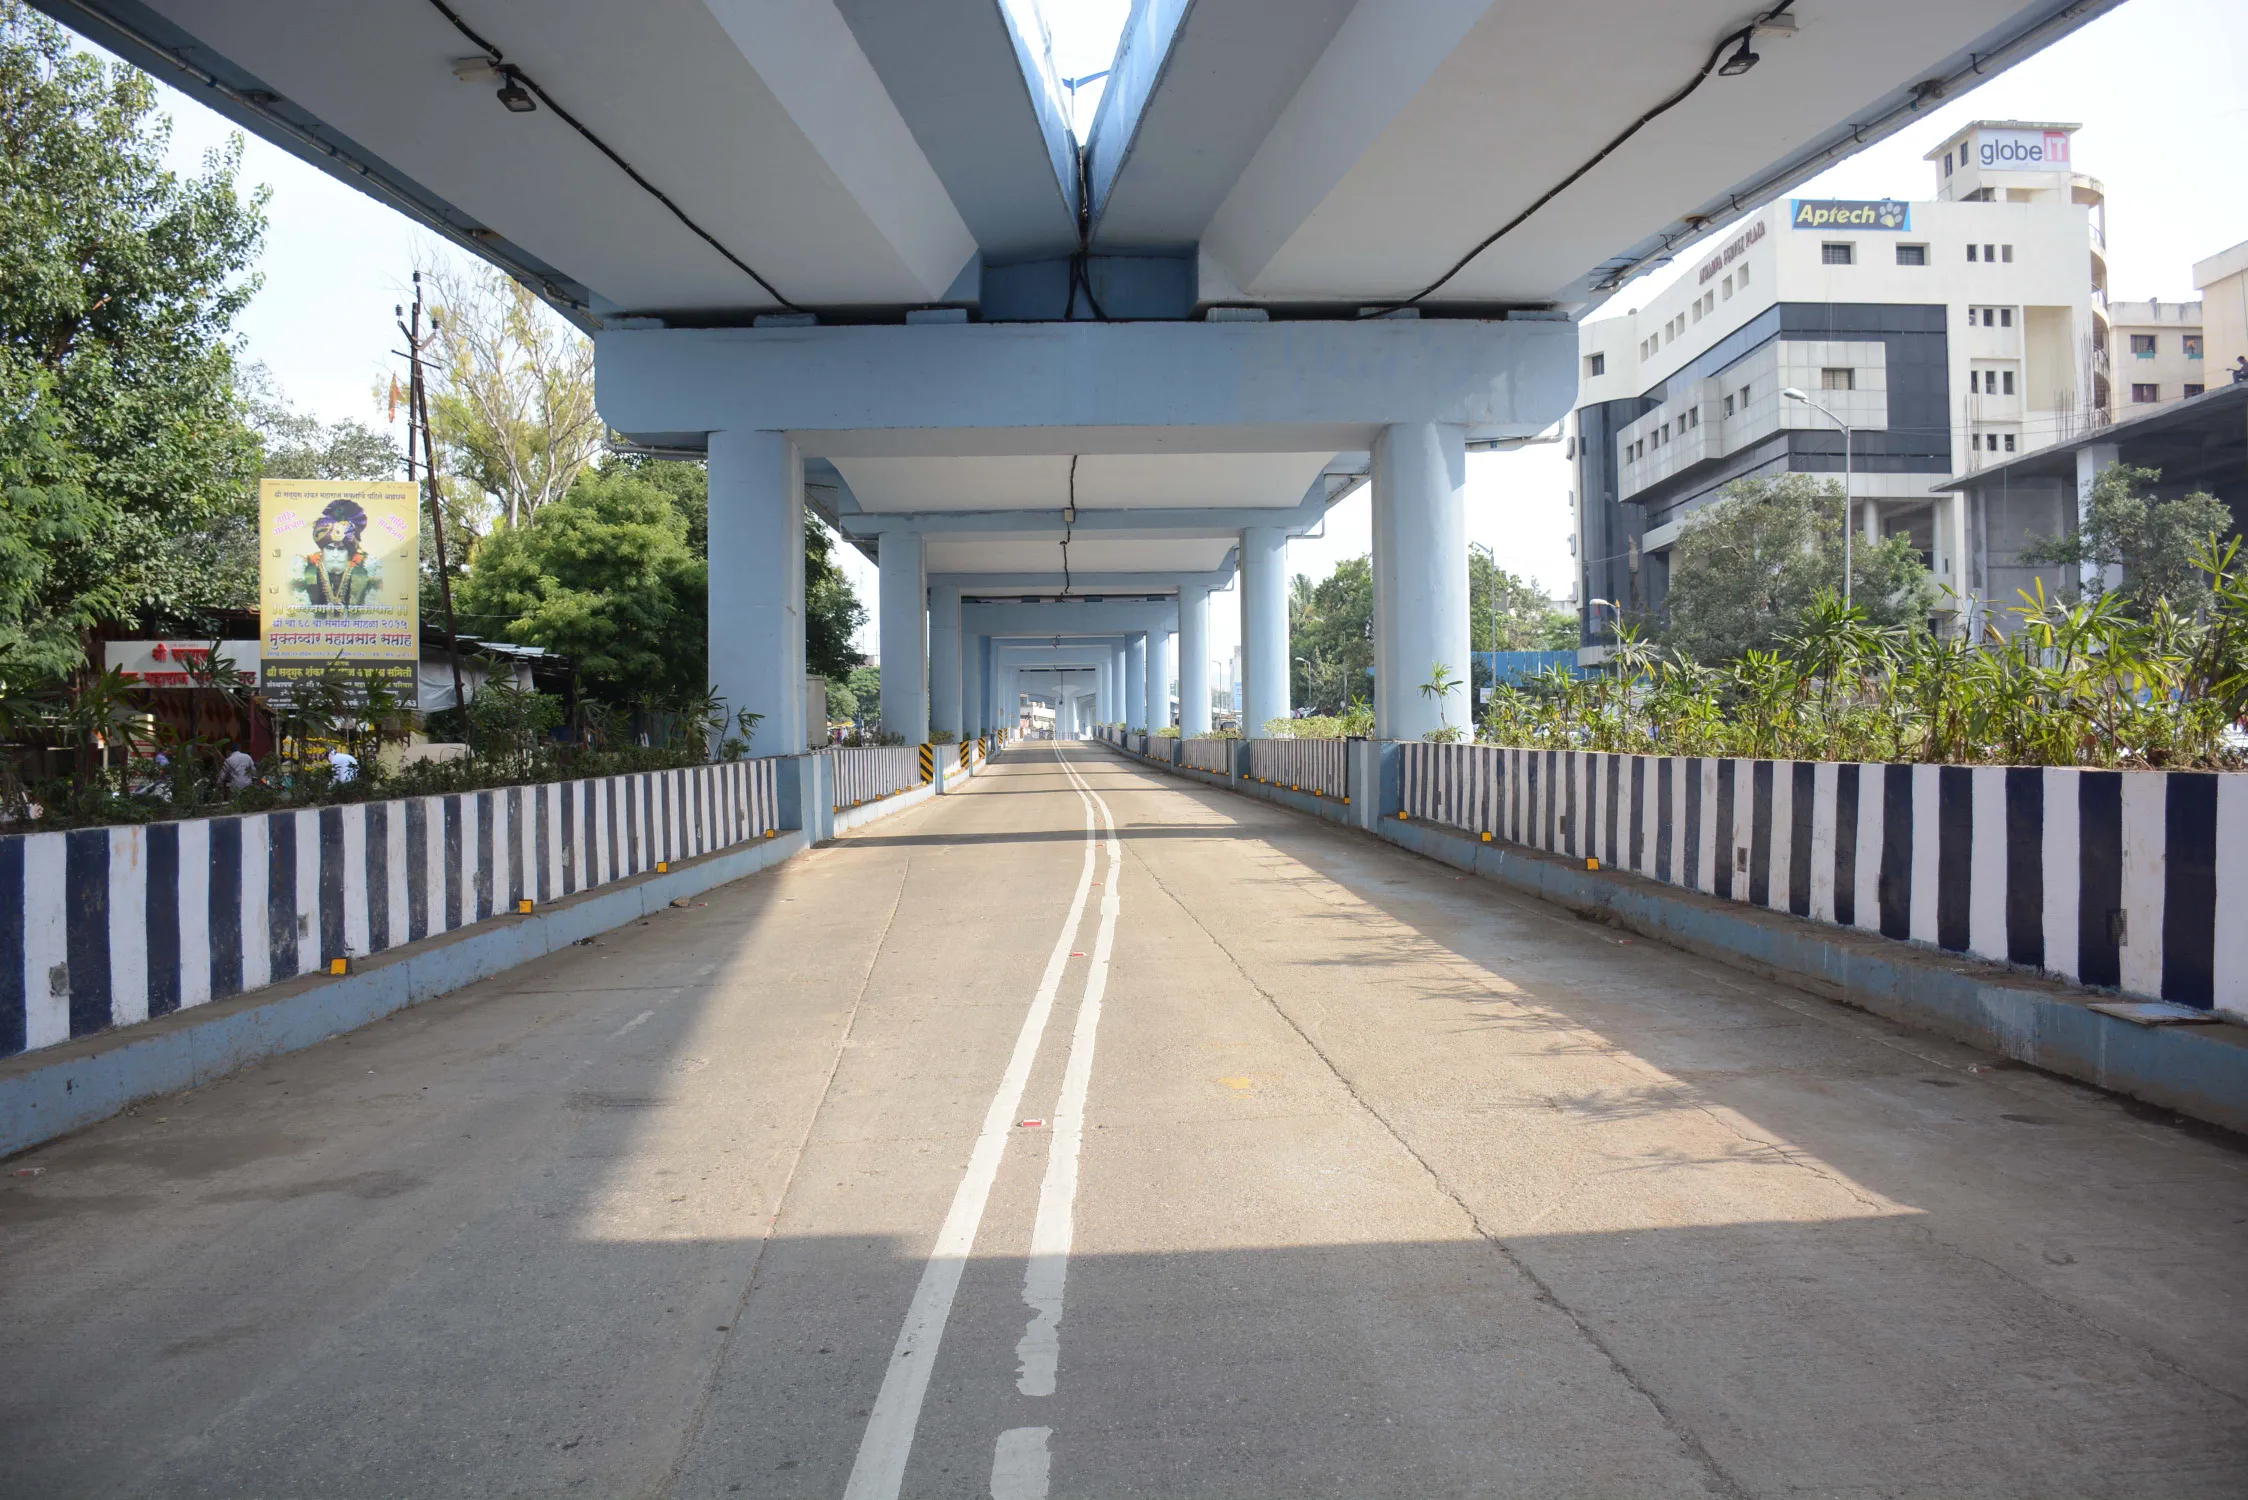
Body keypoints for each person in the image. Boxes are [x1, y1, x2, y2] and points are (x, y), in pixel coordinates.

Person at [293, 497, 382, 607]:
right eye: (330, 548)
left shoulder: (366, 569)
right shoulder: (306, 569)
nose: (335, 555)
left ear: (349, 552)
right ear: (322, 550)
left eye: (341, 549)